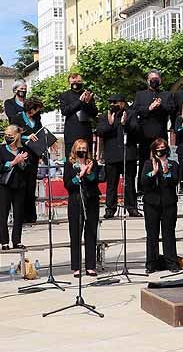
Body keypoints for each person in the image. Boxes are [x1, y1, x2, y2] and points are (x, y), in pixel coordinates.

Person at [140, 137, 180, 273]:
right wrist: (154, 173)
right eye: (158, 149)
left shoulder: (173, 164)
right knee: (152, 234)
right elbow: (143, 183)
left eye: (163, 148)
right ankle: (151, 263)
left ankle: (171, 262)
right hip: (151, 203)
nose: (160, 151)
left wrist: (166, 172)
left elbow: (175, 181)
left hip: (169, 203)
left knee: (169, 233)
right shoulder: (148, 164)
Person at [97, 94, 141, 218]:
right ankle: (110, 208)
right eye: (110, 102)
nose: (112, 105)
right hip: (112, 156)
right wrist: (110, 124)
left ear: (122, 103)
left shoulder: (131, 114)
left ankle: (131, 207)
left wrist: (125, 123)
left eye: (115, 102)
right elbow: (100, 131)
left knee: (130, 183)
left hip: (128, 155)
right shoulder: (105, 116)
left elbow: (137, 130)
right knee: (111, 184)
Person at [64, 138, 100, 277]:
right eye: (80, 148)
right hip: (75, 201)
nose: (82, 151)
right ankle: (76, 267)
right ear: (74, 149)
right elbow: (68, 184)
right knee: (75, 234)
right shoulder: (69, 164)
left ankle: (91, 266)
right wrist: (80, 175)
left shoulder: (92, 163)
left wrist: (89, 173)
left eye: (84, 148)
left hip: (91, 200)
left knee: (91, 233)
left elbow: (96, 180)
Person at [0, 125, 30, 250]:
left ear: (17, 136)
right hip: (5, 185)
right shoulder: (1, 150)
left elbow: (27, 168)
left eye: (10, 136)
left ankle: (16, 240)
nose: (8, 138)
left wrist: (22, 162)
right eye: (6, 135)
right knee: (4, 214)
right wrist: (13, 162)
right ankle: (4, 242)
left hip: (19, 185)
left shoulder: (23, 149)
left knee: (18, 214)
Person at [132, 71, 173, 176]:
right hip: (144, 134)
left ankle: (162, 180)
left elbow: (171, 109)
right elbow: (135, 110)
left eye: (156, 79)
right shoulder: (140, 95)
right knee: (144, 160)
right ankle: (142, 186)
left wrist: (160, 106)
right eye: (152, 79)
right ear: (147, 81)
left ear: (160, 80)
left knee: (162, 158)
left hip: (161, 133)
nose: (154, 81)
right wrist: (149, 108)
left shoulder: (167, 95)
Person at [14, 96, 45, 224]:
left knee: (31, 185)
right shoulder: (17, 118)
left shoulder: (37, 118)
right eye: (35, 109)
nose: (37, 112)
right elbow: (12, 134)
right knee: (22, 185)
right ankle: (20, 214)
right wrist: (26, 136)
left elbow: (40, 132)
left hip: (34, 154)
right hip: (22, 153)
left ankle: (31, 215)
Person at [59, 73, 97, 157]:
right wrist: (79, 101)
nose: (76, 83)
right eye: (73, 81)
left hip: (86, 132)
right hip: (71, 134)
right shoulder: (65, 95)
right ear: (69, 83)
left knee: (87, 157)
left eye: (79, 81)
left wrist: (87, 103)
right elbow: (65, 111)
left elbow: (94, 113)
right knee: (71, 159)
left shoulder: (88, 94)